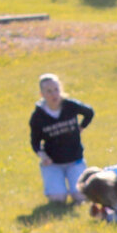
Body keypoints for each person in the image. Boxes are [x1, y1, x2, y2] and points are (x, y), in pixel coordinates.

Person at [28, 73, 94, 205]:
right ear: (42, 94)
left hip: (75, 160)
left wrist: (81, 127)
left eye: (56, 90)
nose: (54, 94)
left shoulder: (70, 106)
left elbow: (89, 112)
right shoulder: (38, 117)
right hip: (53, 163)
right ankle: (57, 189)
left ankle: (74, 188)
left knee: (81, 196)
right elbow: (35, 142)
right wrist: (43, 156)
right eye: (49, 91)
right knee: (58, 199)